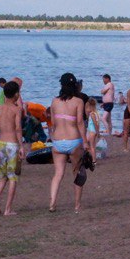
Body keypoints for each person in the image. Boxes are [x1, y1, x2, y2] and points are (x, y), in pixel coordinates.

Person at [48, 73, 89, 212]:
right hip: (74, 141)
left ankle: (52, 203)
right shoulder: (78, 101)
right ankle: (77, 206)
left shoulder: (54, 101)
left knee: (58, 174)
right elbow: (80, 123)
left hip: (58, 141)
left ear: (61, 85)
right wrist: (85, 141)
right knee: (78, 173)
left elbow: (53, 123)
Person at [0, 80, 24, 216]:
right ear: (16, 94)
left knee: (3, 176)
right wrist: (21, 146)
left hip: (1, 144)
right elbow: (18, 129)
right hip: (12, 145)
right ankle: (8, 209)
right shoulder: (16, 109)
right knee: (13, 177)